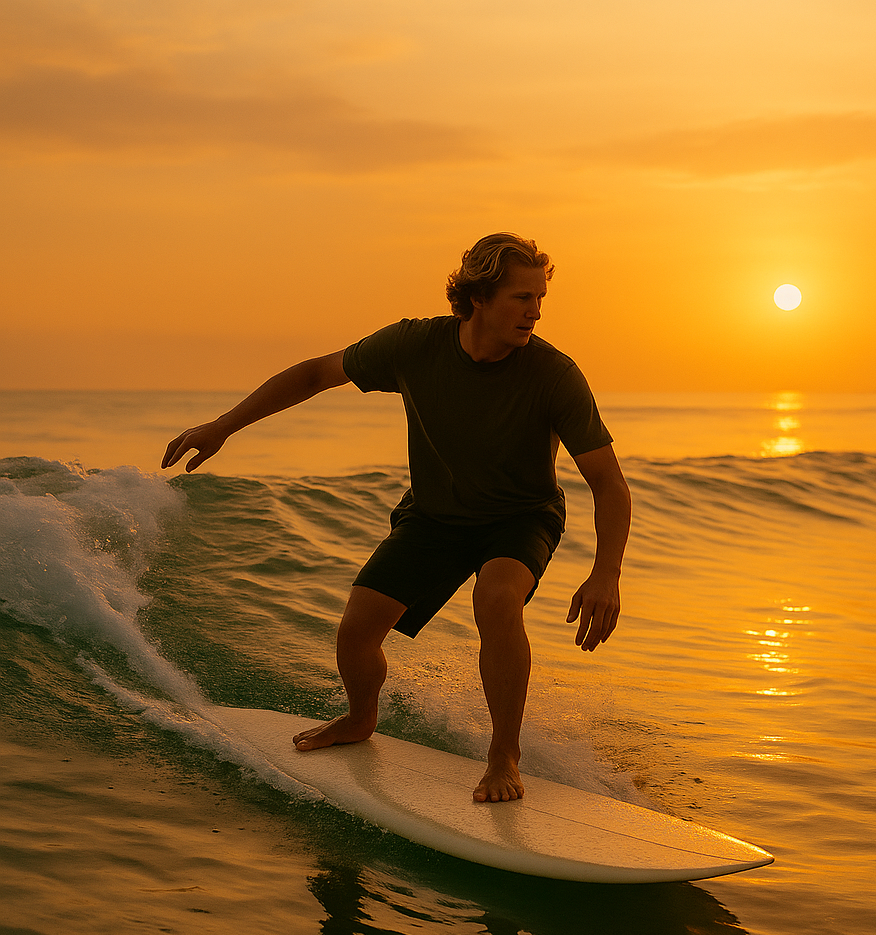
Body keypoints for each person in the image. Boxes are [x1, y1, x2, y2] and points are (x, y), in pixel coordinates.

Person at [162, 233, 631, 803]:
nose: (533, 311)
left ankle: (504, 754)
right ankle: (361, 718)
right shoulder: (416, 344)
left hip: (519, 517)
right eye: (519, 297)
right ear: (478, 297)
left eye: (540, 298)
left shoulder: (552, 373)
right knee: (357, 633)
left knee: (498, 598)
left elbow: (607, 482)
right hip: (434, 516)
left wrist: (606, 572)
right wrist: (222, 426)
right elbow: (315, 374)